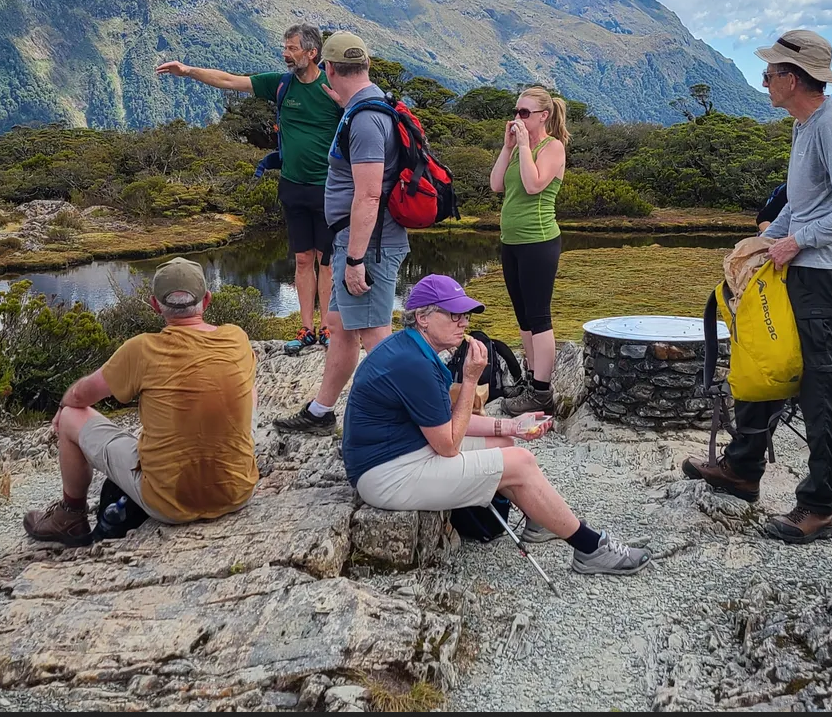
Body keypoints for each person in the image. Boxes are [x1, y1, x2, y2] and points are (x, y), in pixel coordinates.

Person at [686, 29, 832, 544]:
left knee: (824, 386)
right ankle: (742, 469)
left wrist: (800, 243)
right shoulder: (805, 125)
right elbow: (802, 202)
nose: (764, 81)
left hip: (819, 274)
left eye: (770, 74)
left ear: (793, 78)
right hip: (798, 267)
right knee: (763, 358)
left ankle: (817, 507)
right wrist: (763, 240)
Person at [343, 274, 651, 575]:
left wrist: (510, 427)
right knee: (520, 462)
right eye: (454, 314)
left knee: (505, 446)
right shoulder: (414, 365)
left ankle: (540, 516)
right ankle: (589, 547)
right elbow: (448, 445)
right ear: (423, 317)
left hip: (401, 453)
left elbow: (446, 420)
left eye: (465, 315)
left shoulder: (411, 349)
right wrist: (470, 380)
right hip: (386, 475)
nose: (464, 322)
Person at [23, 257, 258, 544]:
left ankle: (70, 515)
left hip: (168, 504)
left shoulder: (141, 349)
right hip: (237, 493)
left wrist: (62, 407)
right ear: (206, 300)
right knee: (244, 382)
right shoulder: (237, 338)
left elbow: (80, 396)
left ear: (155, 305)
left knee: (73, 415)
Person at [157, 24, 339, 353]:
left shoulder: (332, 87)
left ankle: (328, 328)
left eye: (293, 48)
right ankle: (307, 329)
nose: (286, 53)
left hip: (329, 189)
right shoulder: (281, 84)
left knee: (326, 262)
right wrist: (188, 71)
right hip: (293, 186)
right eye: (285, 46)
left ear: (312, 53)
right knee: (302, 260)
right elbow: (230, 80)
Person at [272, 31, 410, 433]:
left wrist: (352, 260)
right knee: (338, 324)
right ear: (365, 66)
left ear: (328, 68)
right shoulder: (366, 105)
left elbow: (368, 196)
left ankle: (416, 415)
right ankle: (320, 411)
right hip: (352, 241)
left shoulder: (366, 120)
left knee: (374, 334)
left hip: (366, 246)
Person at [488, 86, 568, 416]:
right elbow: (496, 185)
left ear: (543, 116)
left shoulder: (553, 148)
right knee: (522, 317)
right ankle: (531, 382)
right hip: (512, 242)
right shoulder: (519, 148)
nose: (517, 118)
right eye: (516, 112)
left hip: (538, 240)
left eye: (524, 113)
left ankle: (542, 391)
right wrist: (508, 148)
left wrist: (524, 146)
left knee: (538, 316)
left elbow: (534, 185)